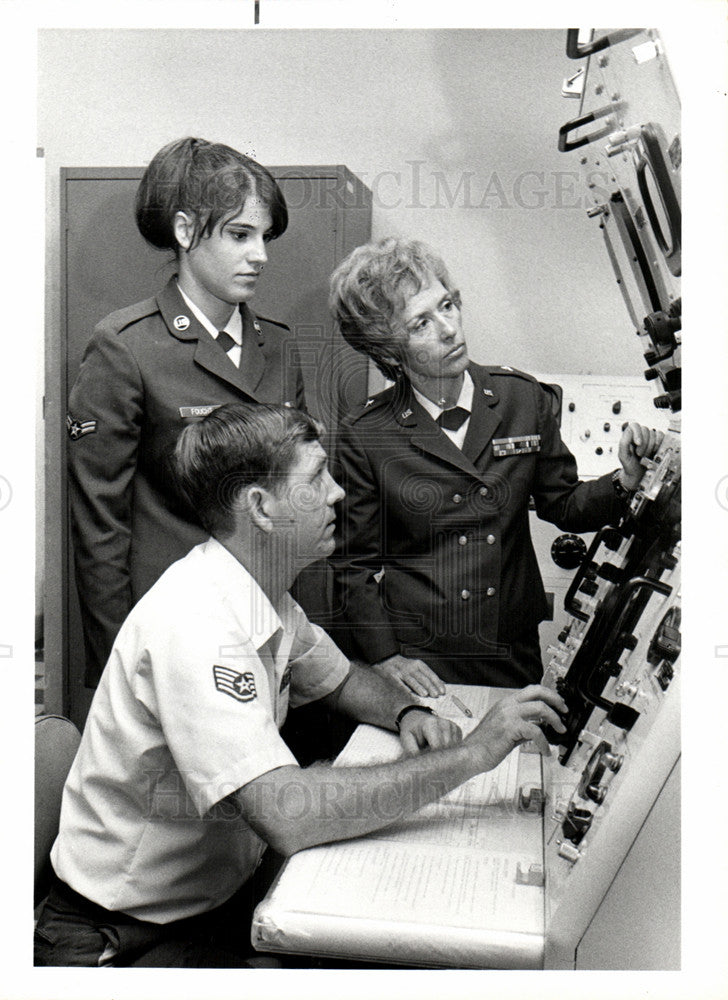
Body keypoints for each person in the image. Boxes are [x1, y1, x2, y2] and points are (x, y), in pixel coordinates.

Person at [35, 402, 567, 967]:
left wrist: (408, 713)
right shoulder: (195, 624)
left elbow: (341, 682)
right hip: (123, 936)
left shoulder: (265, 595)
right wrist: (475, 753)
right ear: (261, 508)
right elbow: (288, 815)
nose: (337, 493)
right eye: (316, 478)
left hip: (214, 896)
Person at [327, 238, 663, 695]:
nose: (448, 329)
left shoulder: (522, 399)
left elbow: (563, 505)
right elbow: (353, 565)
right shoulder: (367, 432)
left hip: (510, 650)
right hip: (422, 658)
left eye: (447, 305)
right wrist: (385, 657)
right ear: (389, 350)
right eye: (421, 323)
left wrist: (625, 480)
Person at [66, 136, 304, 687]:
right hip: (173, 635)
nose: (260, 255)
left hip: (268, 625)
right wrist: (122, 666)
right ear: (184, 231)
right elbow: (100, 530)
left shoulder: (280, 346)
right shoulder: (125, 346)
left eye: (265, 237)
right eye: (240, 235)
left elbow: (296, 496)